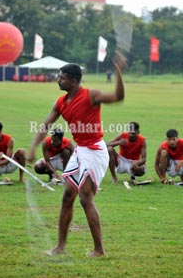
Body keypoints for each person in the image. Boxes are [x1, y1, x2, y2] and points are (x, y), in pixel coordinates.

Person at [27, 52, 126, 258]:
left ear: (73, 80)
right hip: (80, 151)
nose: (58, 79)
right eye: (58, 76)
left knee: (85, 198)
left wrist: (118, 72)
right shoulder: (61, 102)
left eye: (61, 77)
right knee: (66, 198)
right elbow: (45, 125)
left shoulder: (91, 95)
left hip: (96, 153)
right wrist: (33, 147)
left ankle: (99, 250)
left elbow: (118, 97)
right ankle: (60, 246)